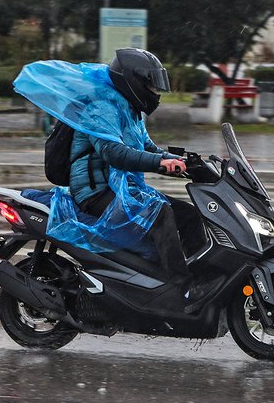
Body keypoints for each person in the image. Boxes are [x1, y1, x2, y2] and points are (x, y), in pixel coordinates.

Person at [69, 49, 206, 298]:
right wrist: (160, 163)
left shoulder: (130, 110)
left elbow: (148, 148)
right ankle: (182, 289)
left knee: (188, 215)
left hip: (121, 187)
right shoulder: (101, 107)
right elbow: (113, 152)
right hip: (96, 191)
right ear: (132, 81)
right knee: (160, 214)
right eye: (151, 86)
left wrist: (186, 162)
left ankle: (202, 278)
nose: (154, 93)